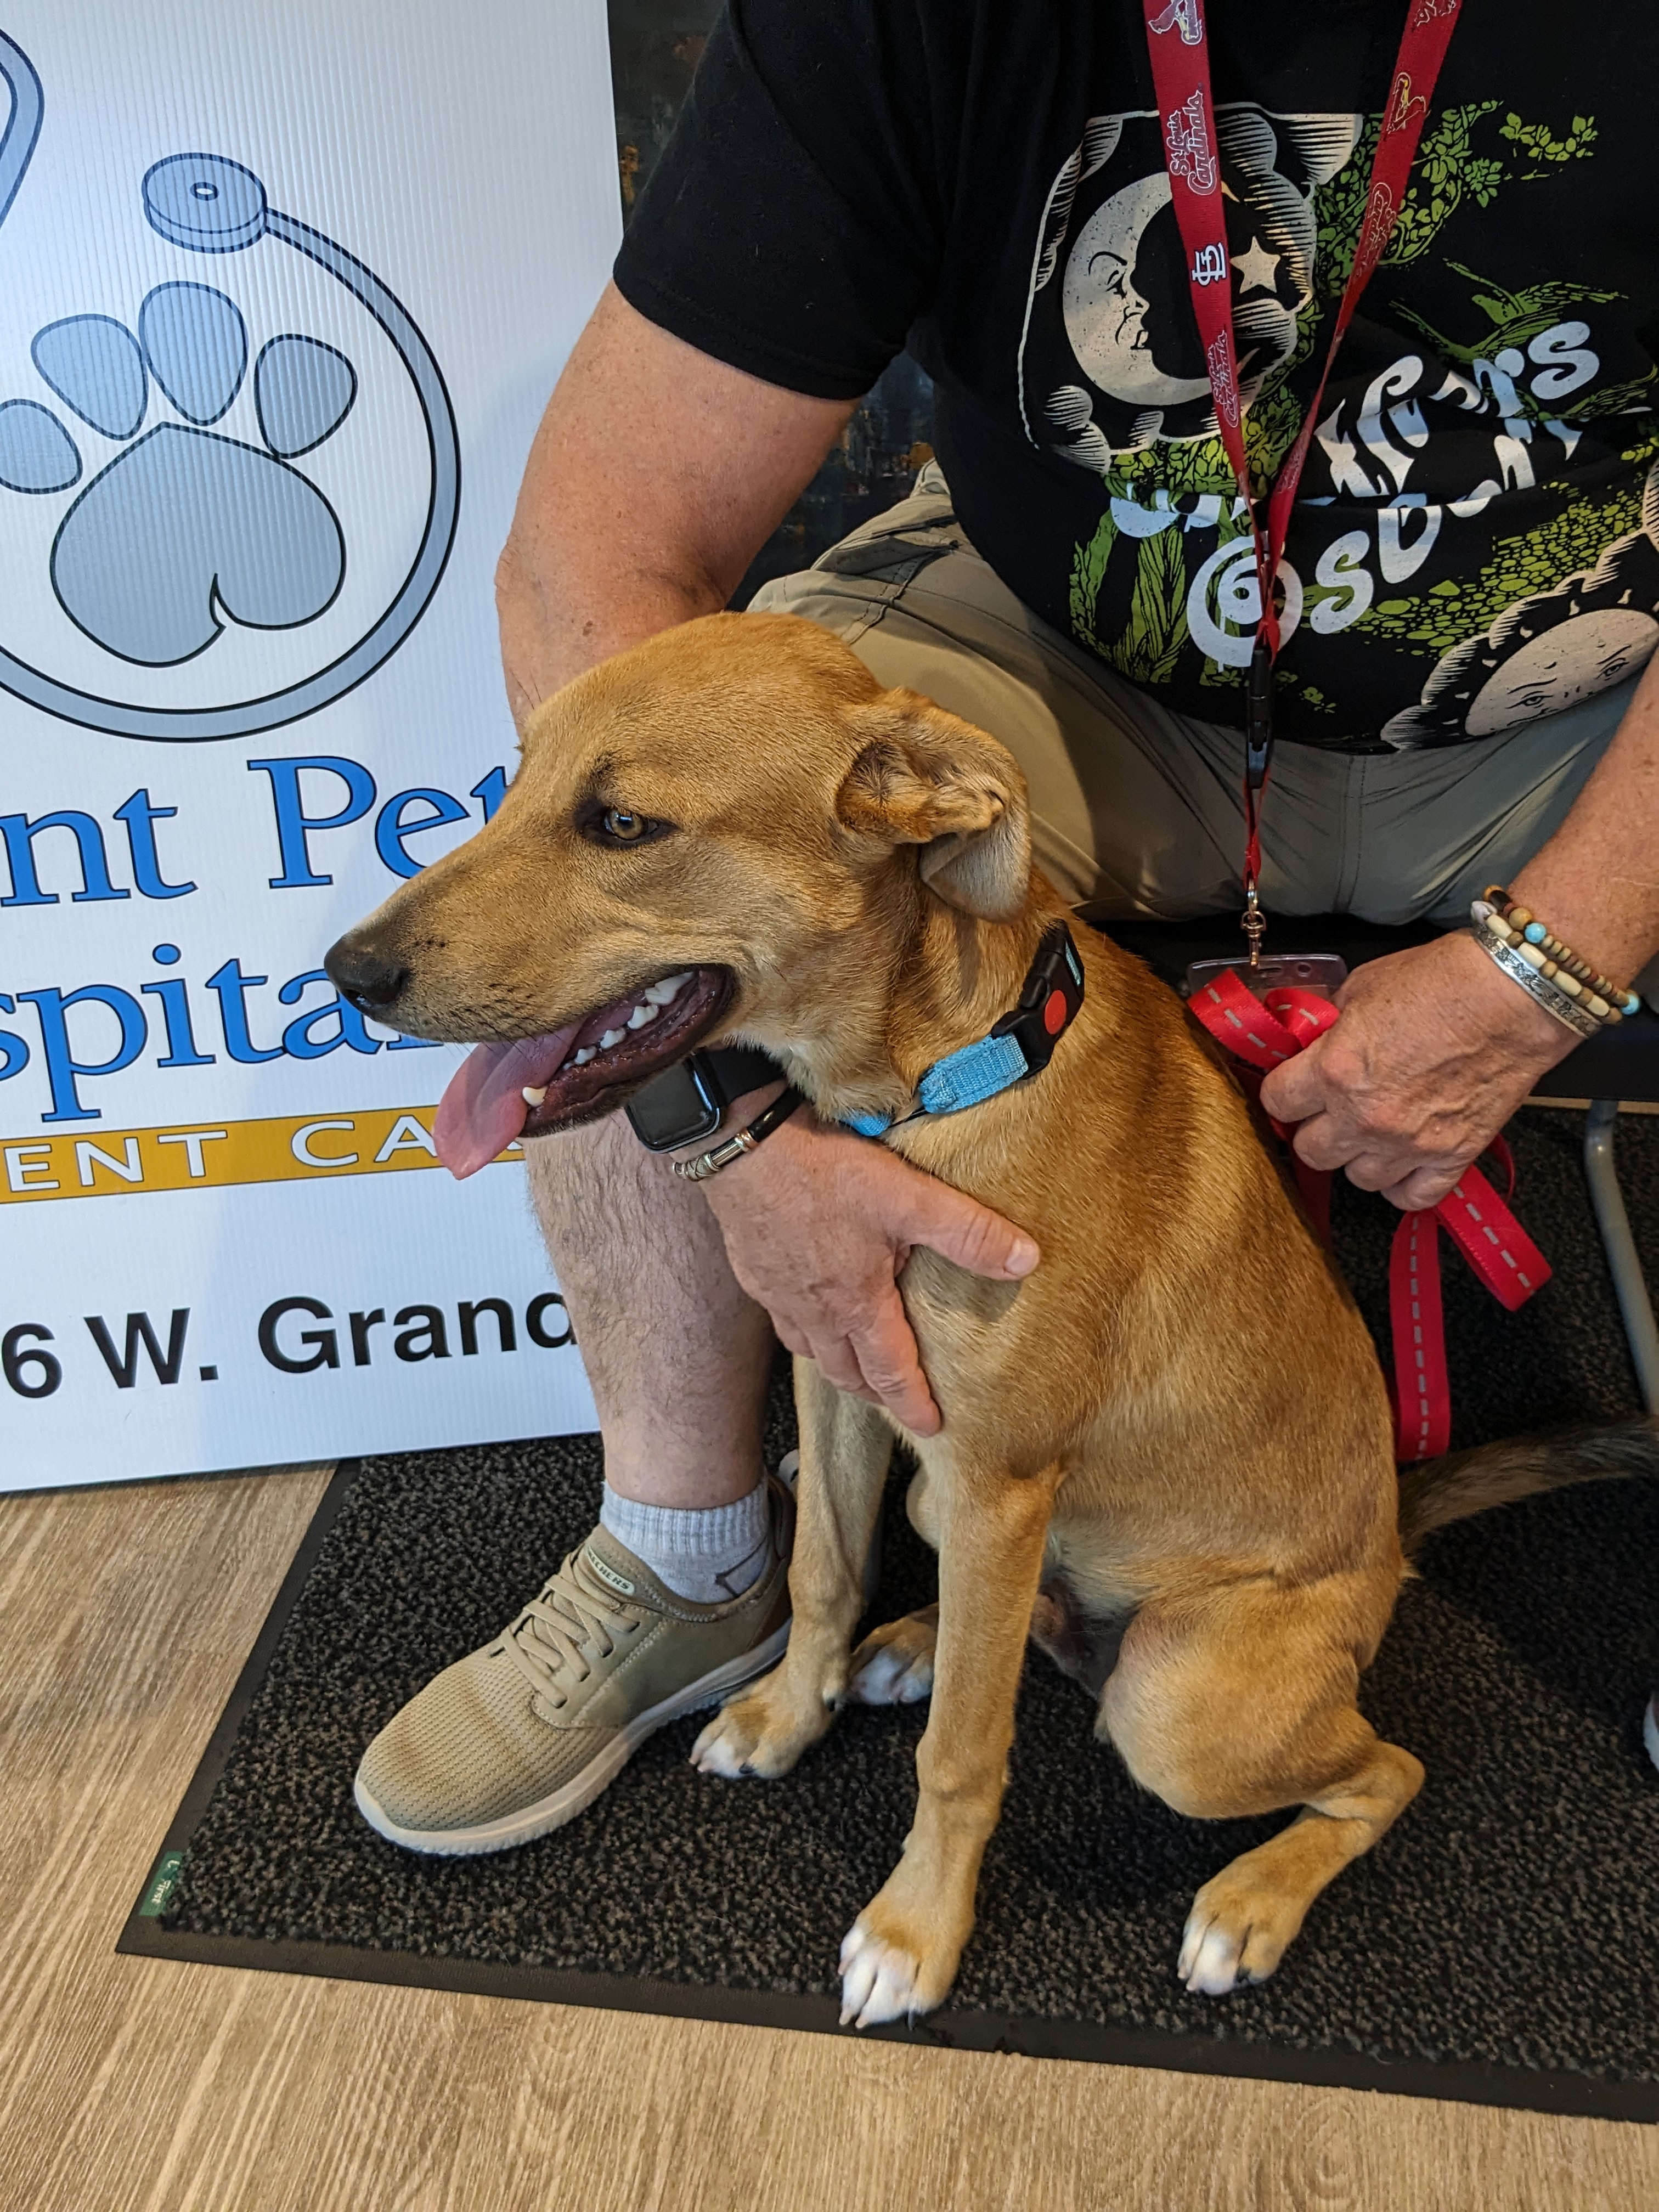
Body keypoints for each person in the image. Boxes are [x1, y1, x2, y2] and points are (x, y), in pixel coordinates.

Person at [354, 1, 1659, 1847]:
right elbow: (599, 557)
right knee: (653, 854)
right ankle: (686, 1550)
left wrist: (1549, 961)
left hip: (1577, 701)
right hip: (1066, 652)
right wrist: (731, 1129)